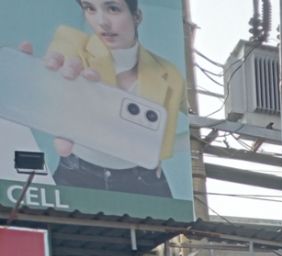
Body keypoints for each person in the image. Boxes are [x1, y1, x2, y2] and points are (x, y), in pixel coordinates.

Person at [19, 0, 187, 198]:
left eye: (113, 9)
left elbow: (201, 127)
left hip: (145, 179)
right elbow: (62, 56)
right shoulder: (73, 44)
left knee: (172, 230)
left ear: (137, 16)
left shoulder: (169, 73)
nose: (102, 22)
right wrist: (53, 83)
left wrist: (161, 147)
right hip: (77, 174)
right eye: (90, 8)